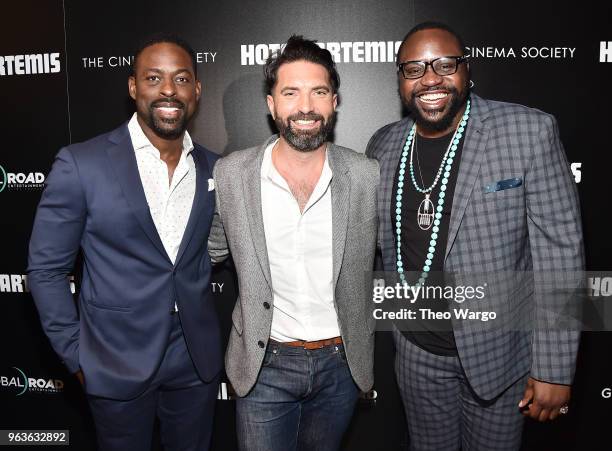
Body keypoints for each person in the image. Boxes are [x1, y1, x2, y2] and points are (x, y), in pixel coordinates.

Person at [366, 22, 584, 451]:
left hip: (499, 355)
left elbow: (561, 253)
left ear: (467, 71)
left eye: (445, 64)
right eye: (415, 68)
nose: (430, 78)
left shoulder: (527, 131)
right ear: (400, 80)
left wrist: (555, 369)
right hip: (416, 354)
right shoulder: (384, 145)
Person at [27, 34, 221, 451]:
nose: (168, 89)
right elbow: (45, 271)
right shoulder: (82, 164)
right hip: (114, 359)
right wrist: (78, 356)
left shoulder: (214, 168)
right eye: (154, 78)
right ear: (133, 87)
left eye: (181, 78)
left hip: (195, 360)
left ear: (196, 91)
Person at [208, 35, 379, 451]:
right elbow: (209, 251)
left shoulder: (365, 175)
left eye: (318, 92)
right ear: (271, 105)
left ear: (334, 102)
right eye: (291, 92)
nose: (305, 106)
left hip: (341, 365)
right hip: (264, 364)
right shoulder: (232, 175)